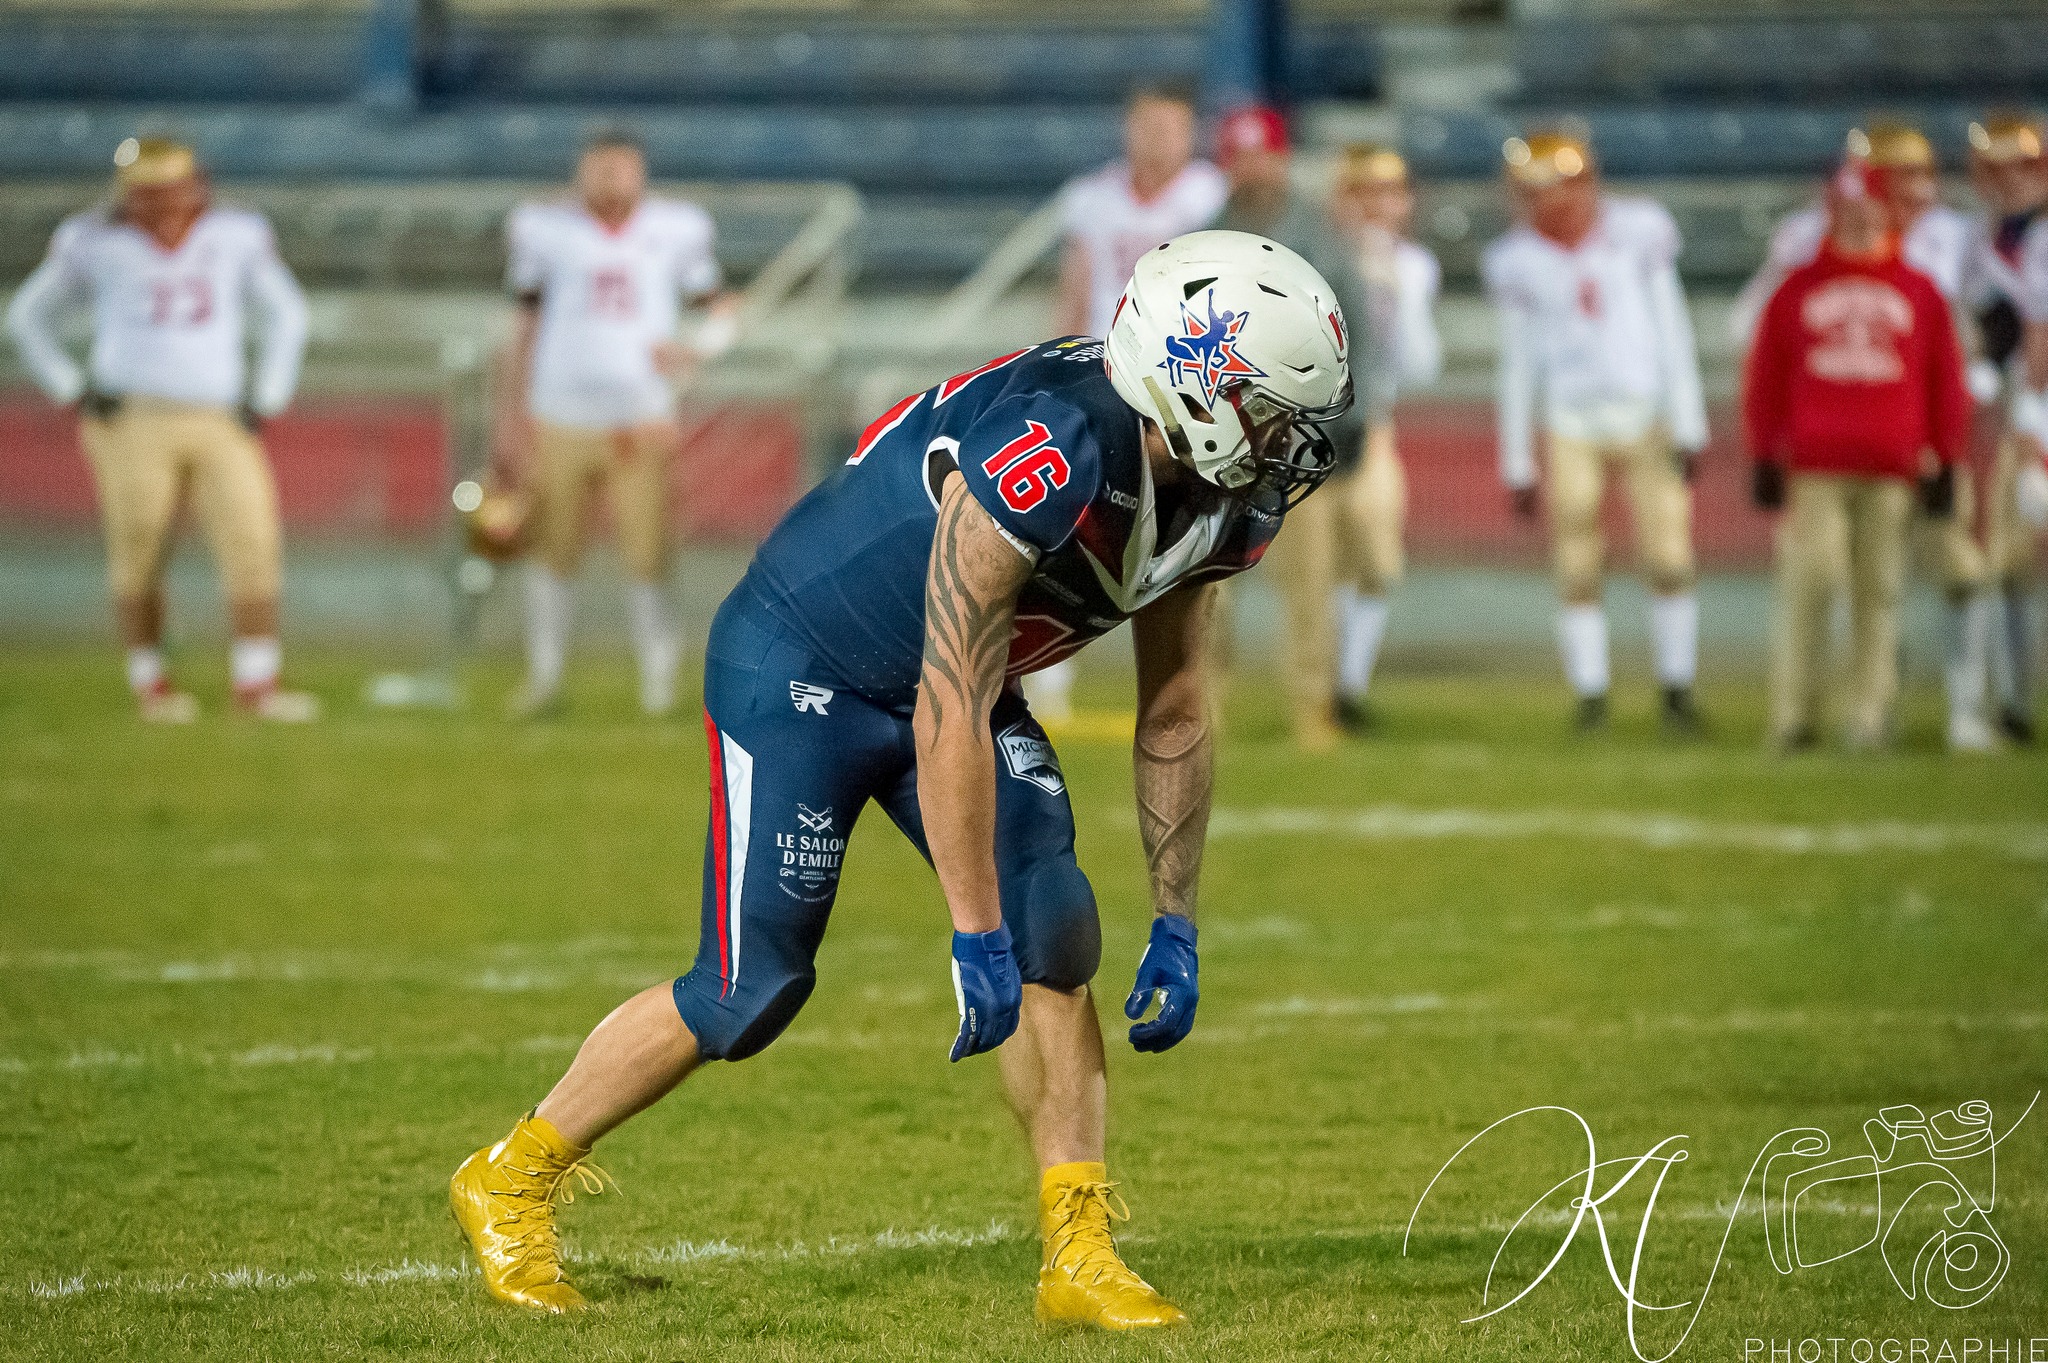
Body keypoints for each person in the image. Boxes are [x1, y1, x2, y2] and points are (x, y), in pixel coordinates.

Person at [448, 231, 1352, 1327]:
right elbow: (949, 697)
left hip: (948, 681)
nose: (1287, 446)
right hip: (805, 662)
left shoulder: (1219, 497)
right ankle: (509, 1174)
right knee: (749, 992)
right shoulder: (1052, 445)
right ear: (1196, 383)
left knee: (1053, 933)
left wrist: (1177, 920)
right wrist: (966, 932)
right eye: (1268, 410)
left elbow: (1170, 704)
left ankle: (1079, 1250)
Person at [5, 136, 314, 722]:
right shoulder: (92, 241)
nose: (166, 205)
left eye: (174, 191)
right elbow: (28, 316)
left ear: (198, 185)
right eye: (151, 194)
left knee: (252, 535)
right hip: (132, 415)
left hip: (220, 412)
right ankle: (151, 682)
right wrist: (71, 388)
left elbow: (287, 311)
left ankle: (256, 684)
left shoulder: (237, 235)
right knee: (140, 541)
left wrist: (269, 392)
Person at [1733, 123, 1996, 751]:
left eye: (1869, 208)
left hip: (1895, 462)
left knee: (1879, 592)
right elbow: (1765, 374)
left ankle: (1869, 714)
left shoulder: (1921, 290)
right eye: (1848, 209)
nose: (1858, 221)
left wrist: (1947, 456)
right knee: (1813, 580)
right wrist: (1764, 450)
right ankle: (1794, 714)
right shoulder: (1796, 288)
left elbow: (1944, 381)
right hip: (1817, 463)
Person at [497, 130, 737, 719]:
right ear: (580, 173)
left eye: (621, 170)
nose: (609, 181)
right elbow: (523, 325)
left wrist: (696, 349)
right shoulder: (543, 229)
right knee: (550, 550)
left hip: (642, 418)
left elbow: (722, 311)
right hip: (561, 414)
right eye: (598, 170)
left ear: (641, 174)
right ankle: (544, 678)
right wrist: (512, 408)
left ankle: (657, 686)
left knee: (648, 553)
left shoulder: (676, 229)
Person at [1482, 129, 1710, 733]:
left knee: (1668, 555)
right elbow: (1518, 363)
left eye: (1546, 189)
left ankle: (1676, 689)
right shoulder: (1518, 258)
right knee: (1577, 564)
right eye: (1528, 191)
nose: (1536, 204)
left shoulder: (1638, 232)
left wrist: (1689, 421)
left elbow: (1672, 329)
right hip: (1570, 420)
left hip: (1645, 412)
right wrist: (1517, 461)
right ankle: (1591, 695)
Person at [1036, 85, 1226, 723]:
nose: (1159, 140)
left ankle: (1185, 678)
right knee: (1064, 518)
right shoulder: (1092, 198)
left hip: (1178, 381)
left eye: (1172, 128)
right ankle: (1046, 673)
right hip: (1103, 372)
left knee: (1180, 526)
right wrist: (1057, 359)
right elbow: (1077, 280)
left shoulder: (1207, 194)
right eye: (1149, 126)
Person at [1212, 105, 1372, 750]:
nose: (1251, 167)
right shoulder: (1206, 239)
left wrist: (1350, 419)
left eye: (1261, 152)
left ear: (1281, 157)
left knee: (1310, 583)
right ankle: (1200, 709)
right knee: (1208, 586)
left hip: (1299, 437)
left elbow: (1355, 329)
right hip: (1220, 440)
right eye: (1239, 153)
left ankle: (1314, 710)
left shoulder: (1322, 236)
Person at [1327, 142, 1444, 729]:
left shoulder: (1414, 267)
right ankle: (1318, 689)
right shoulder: (1316, 257)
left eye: (1388, 194)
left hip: (1372, 426)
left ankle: (1346, 685)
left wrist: (1398, 292)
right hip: (1309, 429)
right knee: (1316, 562)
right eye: (1364, 194)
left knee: (1374, 559)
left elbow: (1421, 365)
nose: (1378, 207)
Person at [1964, 112, 2048, 744]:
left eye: (2022, 166)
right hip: (2027, 406)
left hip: (2037, 410)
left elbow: (2042, 330)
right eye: (2000, 168)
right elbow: (2000, 322)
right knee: (2008, 560)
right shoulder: (1991, 236)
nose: (2011, 179)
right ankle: (2014, 697)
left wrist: (2026, 415)